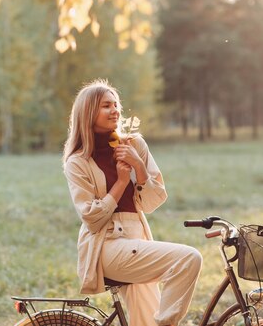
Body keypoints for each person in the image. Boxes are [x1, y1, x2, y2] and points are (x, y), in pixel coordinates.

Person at [62, 79, 202, 326]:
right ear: (88, 112)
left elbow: (152, 201)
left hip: (137, 240)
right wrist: (121, 182)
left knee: (145, 322)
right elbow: (92, 218)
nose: (115, 110)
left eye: (116, 104)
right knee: (189, 258)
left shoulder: (134, 145)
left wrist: (139, 165)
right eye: (106, 105)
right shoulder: (77, 162)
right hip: (105, 246)